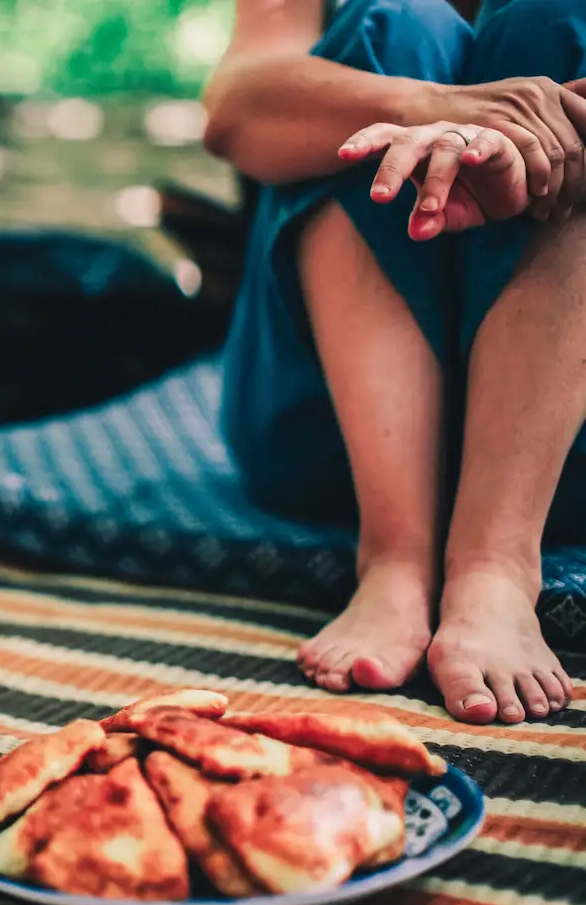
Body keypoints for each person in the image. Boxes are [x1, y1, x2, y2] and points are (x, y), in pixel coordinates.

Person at [204, 0, 586, 723]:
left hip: (566, 447)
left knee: (558, 22)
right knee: (390, 28)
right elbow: (235, 108)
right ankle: (393, 558)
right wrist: (425, 108)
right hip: (324, 438)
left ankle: (497, 565)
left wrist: (537, 145)